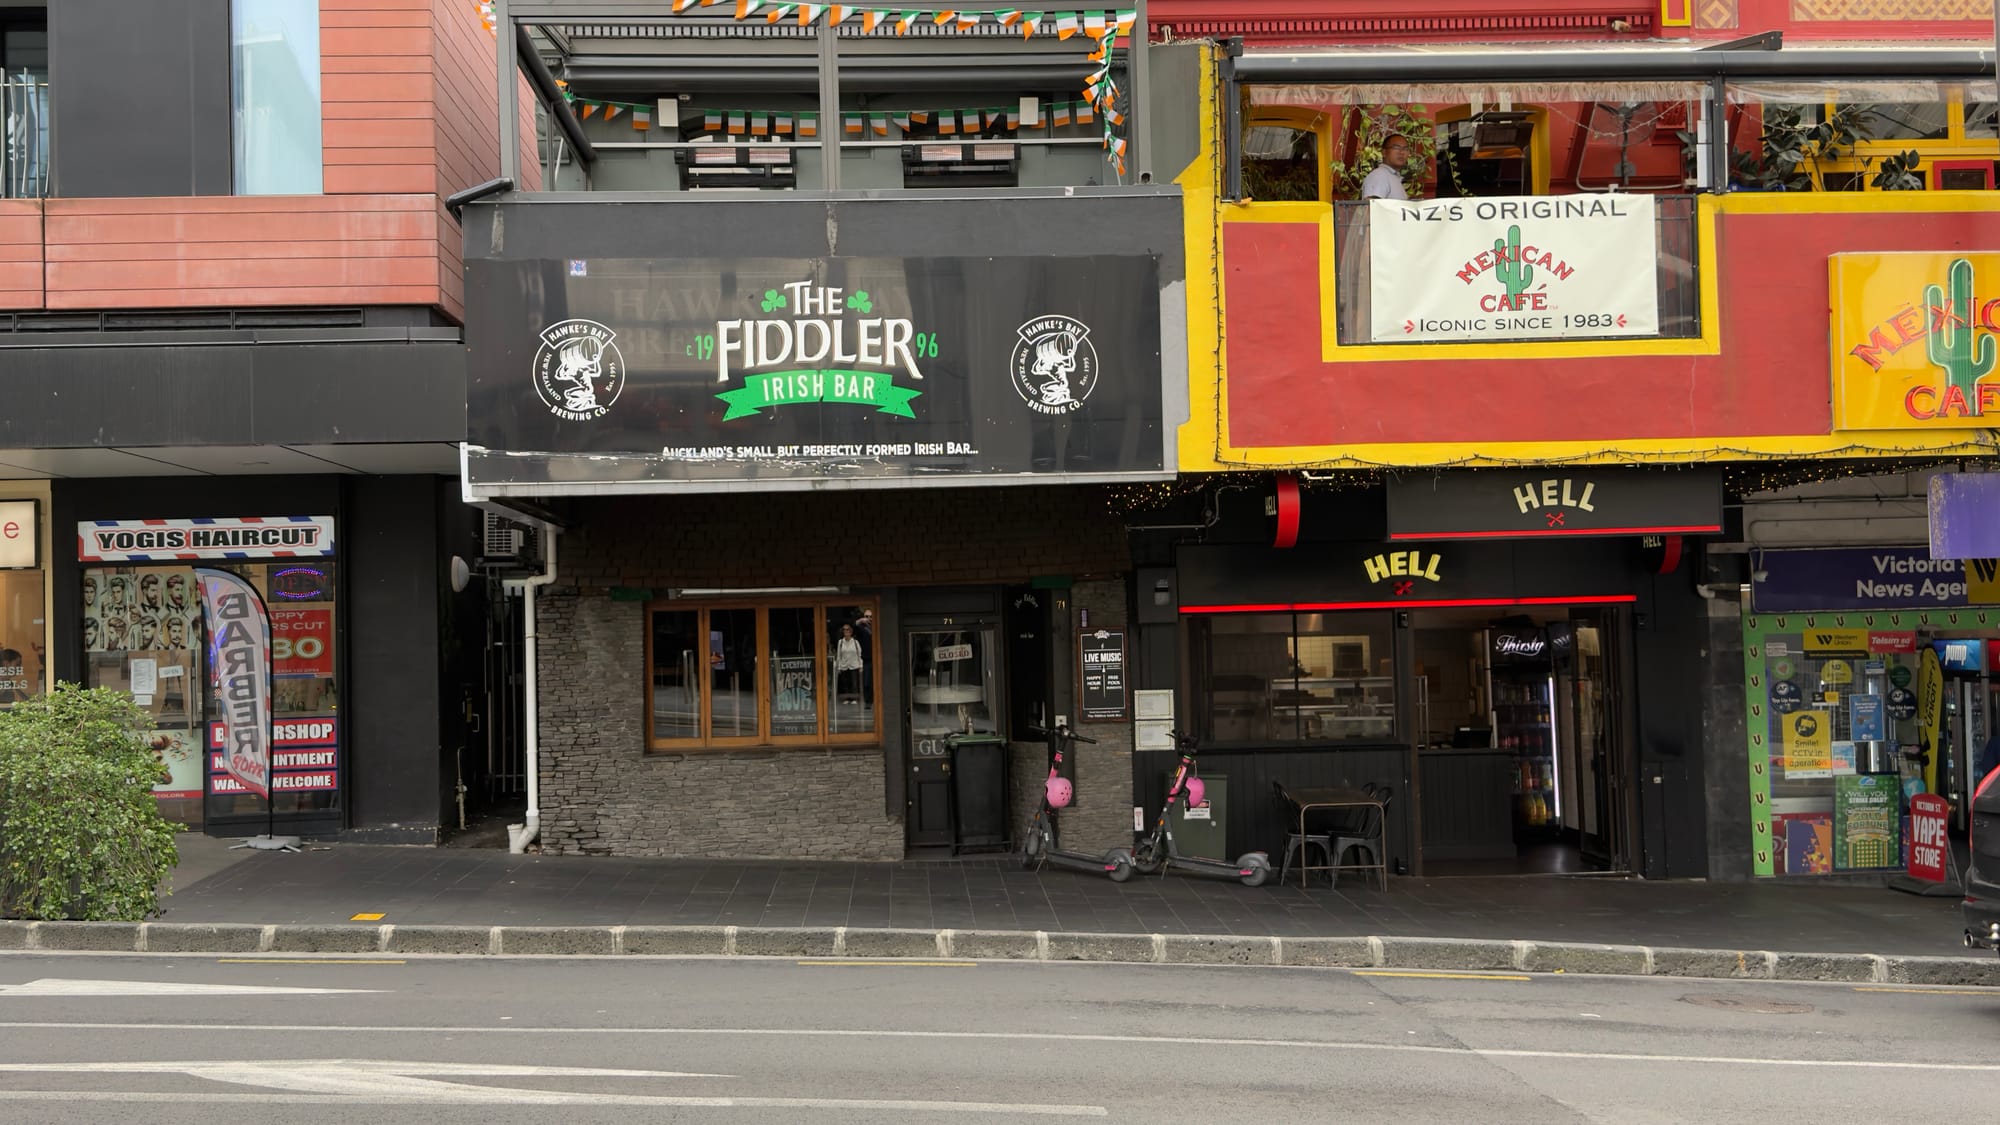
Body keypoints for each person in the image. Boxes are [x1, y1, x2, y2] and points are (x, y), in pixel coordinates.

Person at [1360, 134, 1413, 201]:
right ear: (1384, 152)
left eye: (1405, 149)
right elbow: (1372, 205)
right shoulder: (1380, 175)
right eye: (1396, 148)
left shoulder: (1392, 176)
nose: (1402, 152)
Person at [833, 624, 864, 703]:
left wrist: (860, 665)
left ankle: (854, 699)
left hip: (854, 665)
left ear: (851, 631)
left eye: (847, 629)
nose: (846, 631)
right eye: (844, 629)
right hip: (844, 665)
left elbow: (859, 654)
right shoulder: (840, 642)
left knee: (854, 683)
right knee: (845, 683)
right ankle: (847, 698)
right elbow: (839, 655)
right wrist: (838, 666)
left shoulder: (855, 642)